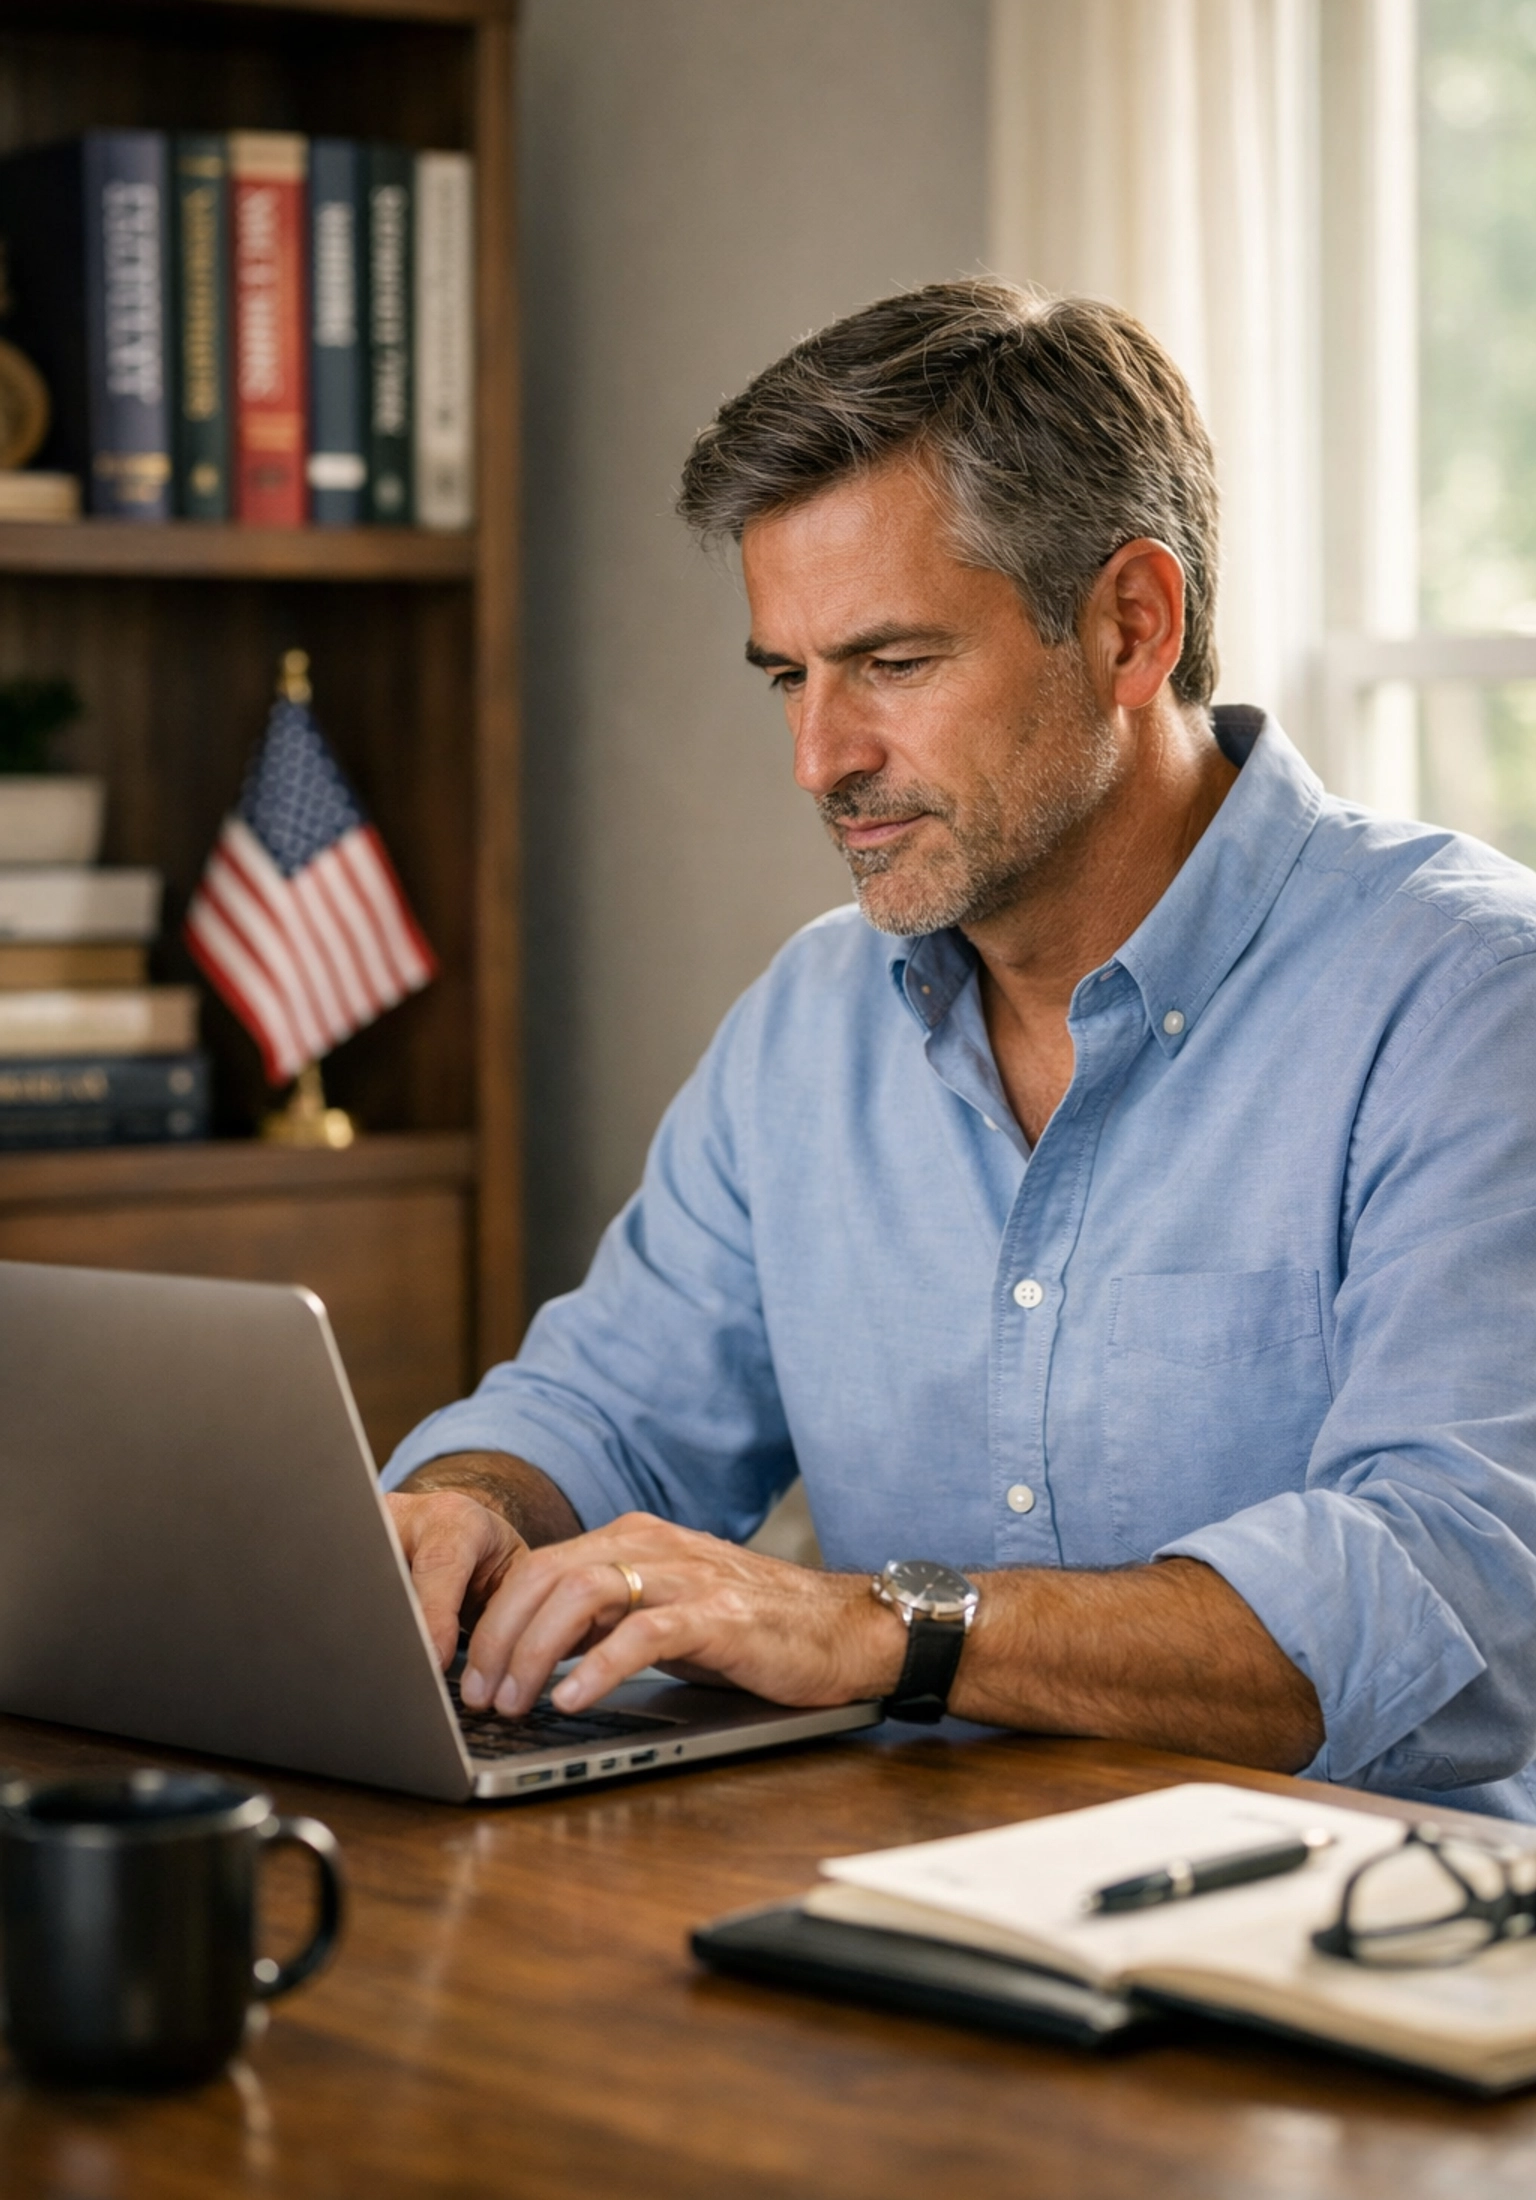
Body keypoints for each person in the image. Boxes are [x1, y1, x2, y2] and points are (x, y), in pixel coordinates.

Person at [383, 281, 1536, 1817]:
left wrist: (877, 1626)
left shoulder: (1465, 998)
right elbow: (609, 1408)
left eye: (893, 665)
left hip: (1350, 1965)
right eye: (788, 676)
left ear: (1133, 624)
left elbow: (1446, 1586)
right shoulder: (808, 1021)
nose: (819, 759)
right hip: (890, 1924)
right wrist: (464, 1506)